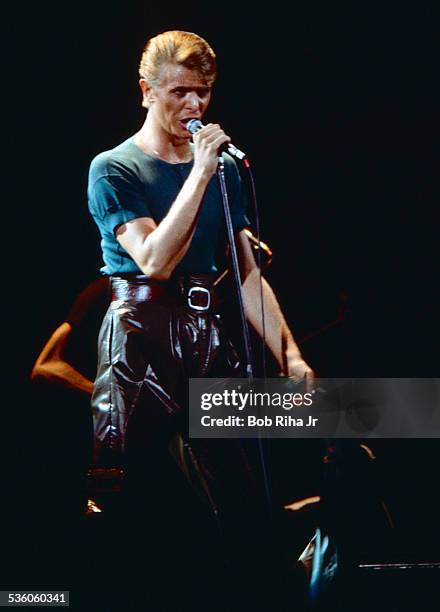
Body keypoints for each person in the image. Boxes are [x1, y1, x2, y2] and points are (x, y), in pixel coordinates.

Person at [87, 30, 315, 606]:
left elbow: (246, 276)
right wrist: (201, 173)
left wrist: (290, 354)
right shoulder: (114, 168)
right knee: (135, 495)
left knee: (239, 491)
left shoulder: (223, 174)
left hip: (208, 335)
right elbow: (155, 260)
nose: (194, 107)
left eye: (204, 94)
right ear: (146, 91)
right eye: (180, 93)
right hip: (141, 341)